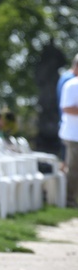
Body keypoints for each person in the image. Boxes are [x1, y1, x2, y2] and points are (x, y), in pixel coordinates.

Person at [58, 54, 78, 208]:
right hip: (73, 134)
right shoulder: (71, 84)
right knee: (73, 170)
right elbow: (66, 107)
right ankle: (68, 200)